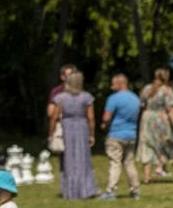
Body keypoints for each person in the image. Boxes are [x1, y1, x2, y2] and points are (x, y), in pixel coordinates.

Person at [49, 71, 98, 199]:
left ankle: (70, 191)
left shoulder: (61, 97)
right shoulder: (86, 97)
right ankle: (86, 189)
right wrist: (92, 134)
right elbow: (91, 117)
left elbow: (54, 116)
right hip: (82, 127)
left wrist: (51, 133)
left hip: (67, 127)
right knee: (83, 159)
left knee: (69, 160)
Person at [139, 68, 173, 184]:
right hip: (162, 119)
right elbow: (172, 109)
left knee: (148, 146)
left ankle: (147, 177)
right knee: (171, 144)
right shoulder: (167, 91)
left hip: (147, 120)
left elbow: (142, 104)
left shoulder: (147, 89)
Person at [100, 74, 141, 200]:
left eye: (113, 84)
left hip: (116, 134)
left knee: (115, 163)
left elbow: (106, 117)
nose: (111, 87)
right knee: (129, 163)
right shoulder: (135, 98)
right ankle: (135, 191)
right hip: (131, 135)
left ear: (120, 84)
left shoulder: (113, 98)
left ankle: (111, 191)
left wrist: (103, 126)